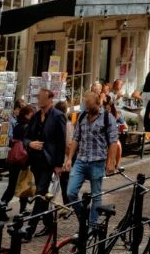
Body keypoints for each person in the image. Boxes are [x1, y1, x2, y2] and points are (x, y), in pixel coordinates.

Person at [64, 92, 119, 227]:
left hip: (97, 161)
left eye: (89, 106)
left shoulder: (107, 117)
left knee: (96, 195)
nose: (86, 109)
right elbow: (76, 138)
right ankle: (83, 217)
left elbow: (113, 142)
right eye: (85, 106)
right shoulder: (82, 116)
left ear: (97, 103)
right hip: (81, 160)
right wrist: (69, 158)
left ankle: (92, 225)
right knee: (70, 193)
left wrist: (111, 162)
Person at [24, 89, 66, 235]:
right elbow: (26, 137)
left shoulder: (58, 116)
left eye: (42, 98)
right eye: (38, 97)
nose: (39, 100)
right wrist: (30, 144)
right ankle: (49, 224)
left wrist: (59, 164)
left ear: (50, 100)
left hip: (49, 161)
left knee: (40, 192)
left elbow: (61, 142)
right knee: (42, 194)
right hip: (36, 161)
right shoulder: (35, 116)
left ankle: (30, 228)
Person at [1, 104, 34, 209]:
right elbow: (27, 143)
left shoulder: (17, 125)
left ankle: (2, 205)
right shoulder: (28, 126)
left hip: (14, 158)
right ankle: (21, 210)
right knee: (23, 184)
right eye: (31, 113)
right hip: (22, 159)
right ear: (27, 114)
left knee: (12, 185)